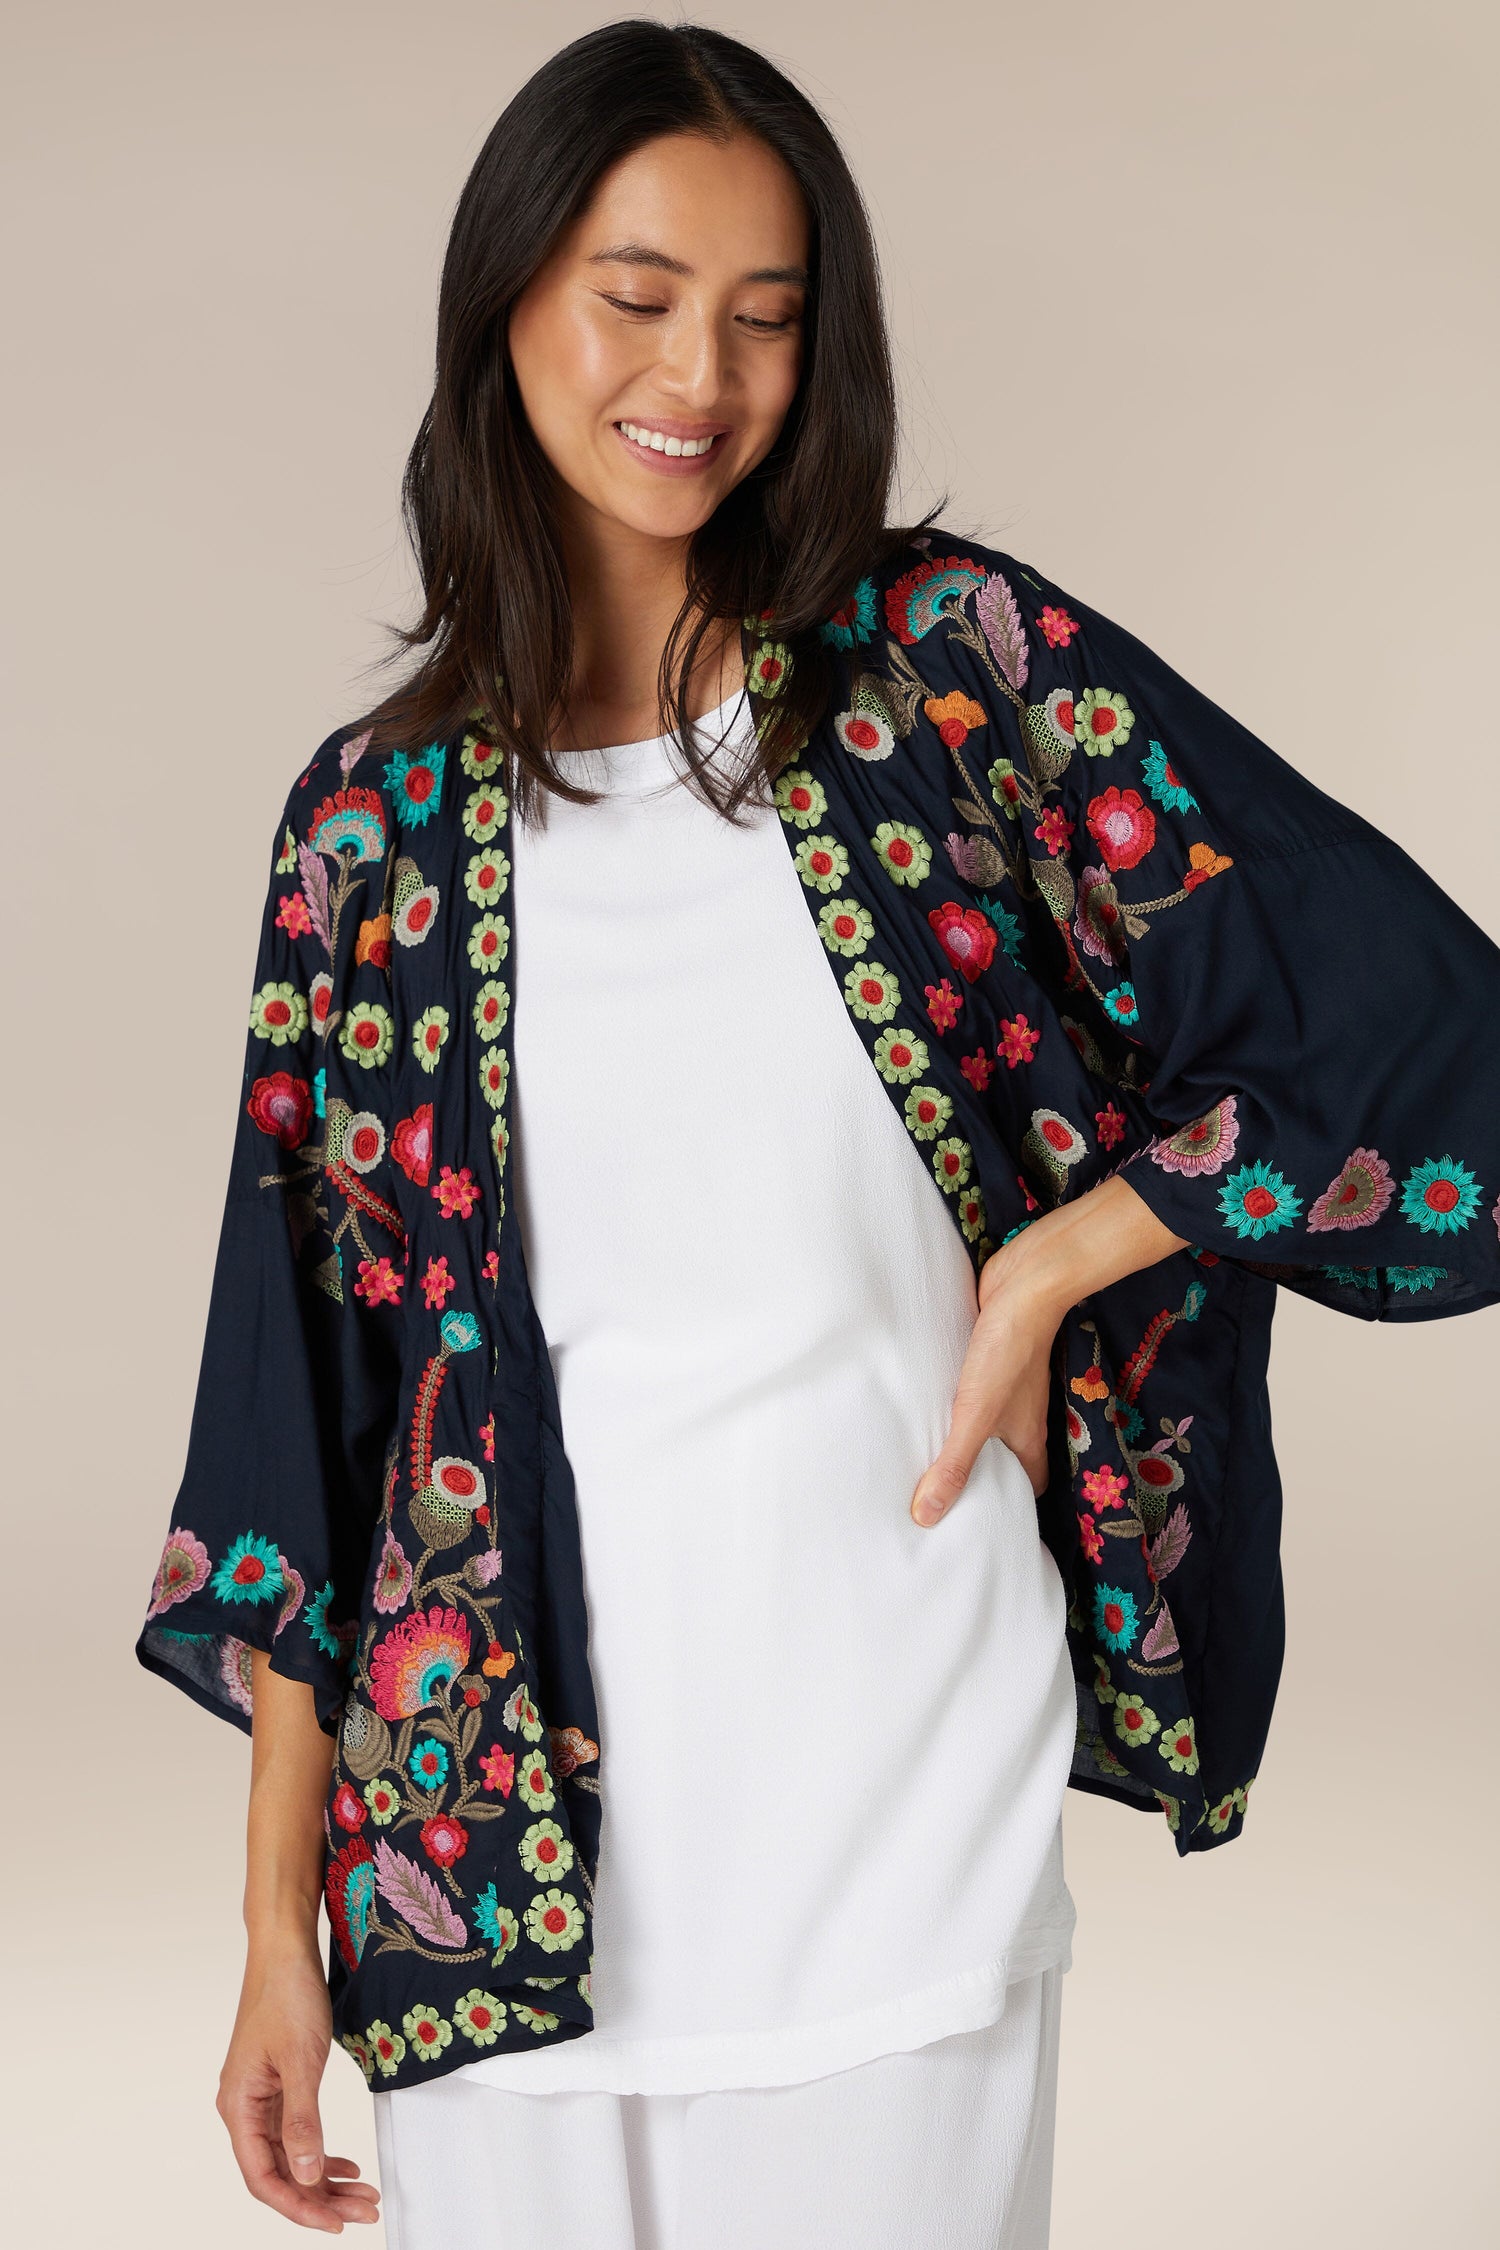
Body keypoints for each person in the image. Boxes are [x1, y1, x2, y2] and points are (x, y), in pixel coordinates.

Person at [136, 19, 1500, 2250]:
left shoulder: (945, 688)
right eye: (640, 296)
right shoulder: (367, 832)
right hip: (483, 1871)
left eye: (770, 319)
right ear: (510, 300)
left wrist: (1064, 1261)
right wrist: (282, 1925)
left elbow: (1416, 1034)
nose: (704, 375)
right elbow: (314, 1417)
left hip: (890, 1803)